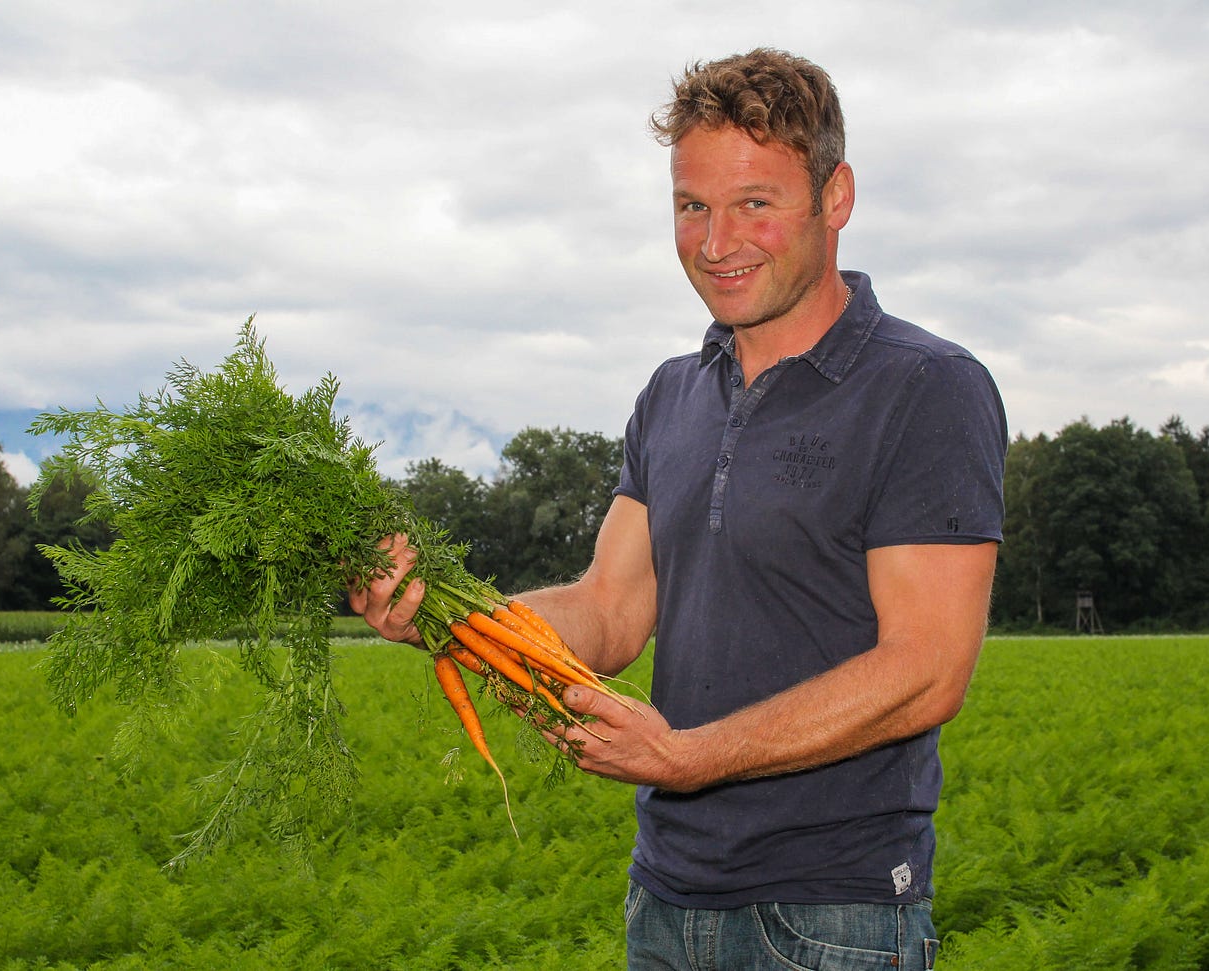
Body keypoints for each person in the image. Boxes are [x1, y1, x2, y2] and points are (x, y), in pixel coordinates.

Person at [352, 47, 1007, 971]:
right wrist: (448, 614)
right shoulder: (672, 394)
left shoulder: (925, 386)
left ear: (836, 197)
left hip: (831, 917)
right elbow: (611, 611)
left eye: (754, 204)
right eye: (691, 205)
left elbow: (927, 668)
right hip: (666, 901)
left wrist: (690, 756)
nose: (715, 240)